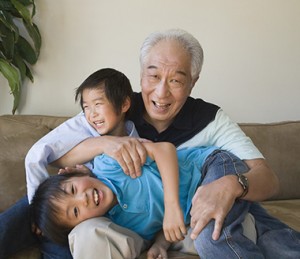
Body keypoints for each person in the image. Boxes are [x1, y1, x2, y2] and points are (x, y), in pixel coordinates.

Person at [0, 28, 299, 259]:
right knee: (48, 207)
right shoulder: (115, 105)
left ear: (193, 81)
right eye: (152, 75)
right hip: (125, 216)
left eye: (176, 80)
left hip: (191, 196)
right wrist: (104, 145)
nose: (160, 92)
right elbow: (54, 154)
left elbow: (267, 179)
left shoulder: (210, 119)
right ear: (140, 74)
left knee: (228, 226)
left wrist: (231, 185)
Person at [31, 146, 252, 257]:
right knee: (215, 234)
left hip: (210, 167)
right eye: (76, 212)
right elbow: (163, 228)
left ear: (78, 173)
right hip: (197, 207)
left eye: (72, 189)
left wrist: (172, 207)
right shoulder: (122, 225)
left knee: (214, 239)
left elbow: (164, 149)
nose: (84, 198)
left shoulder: (110, 164)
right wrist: (159, 244)